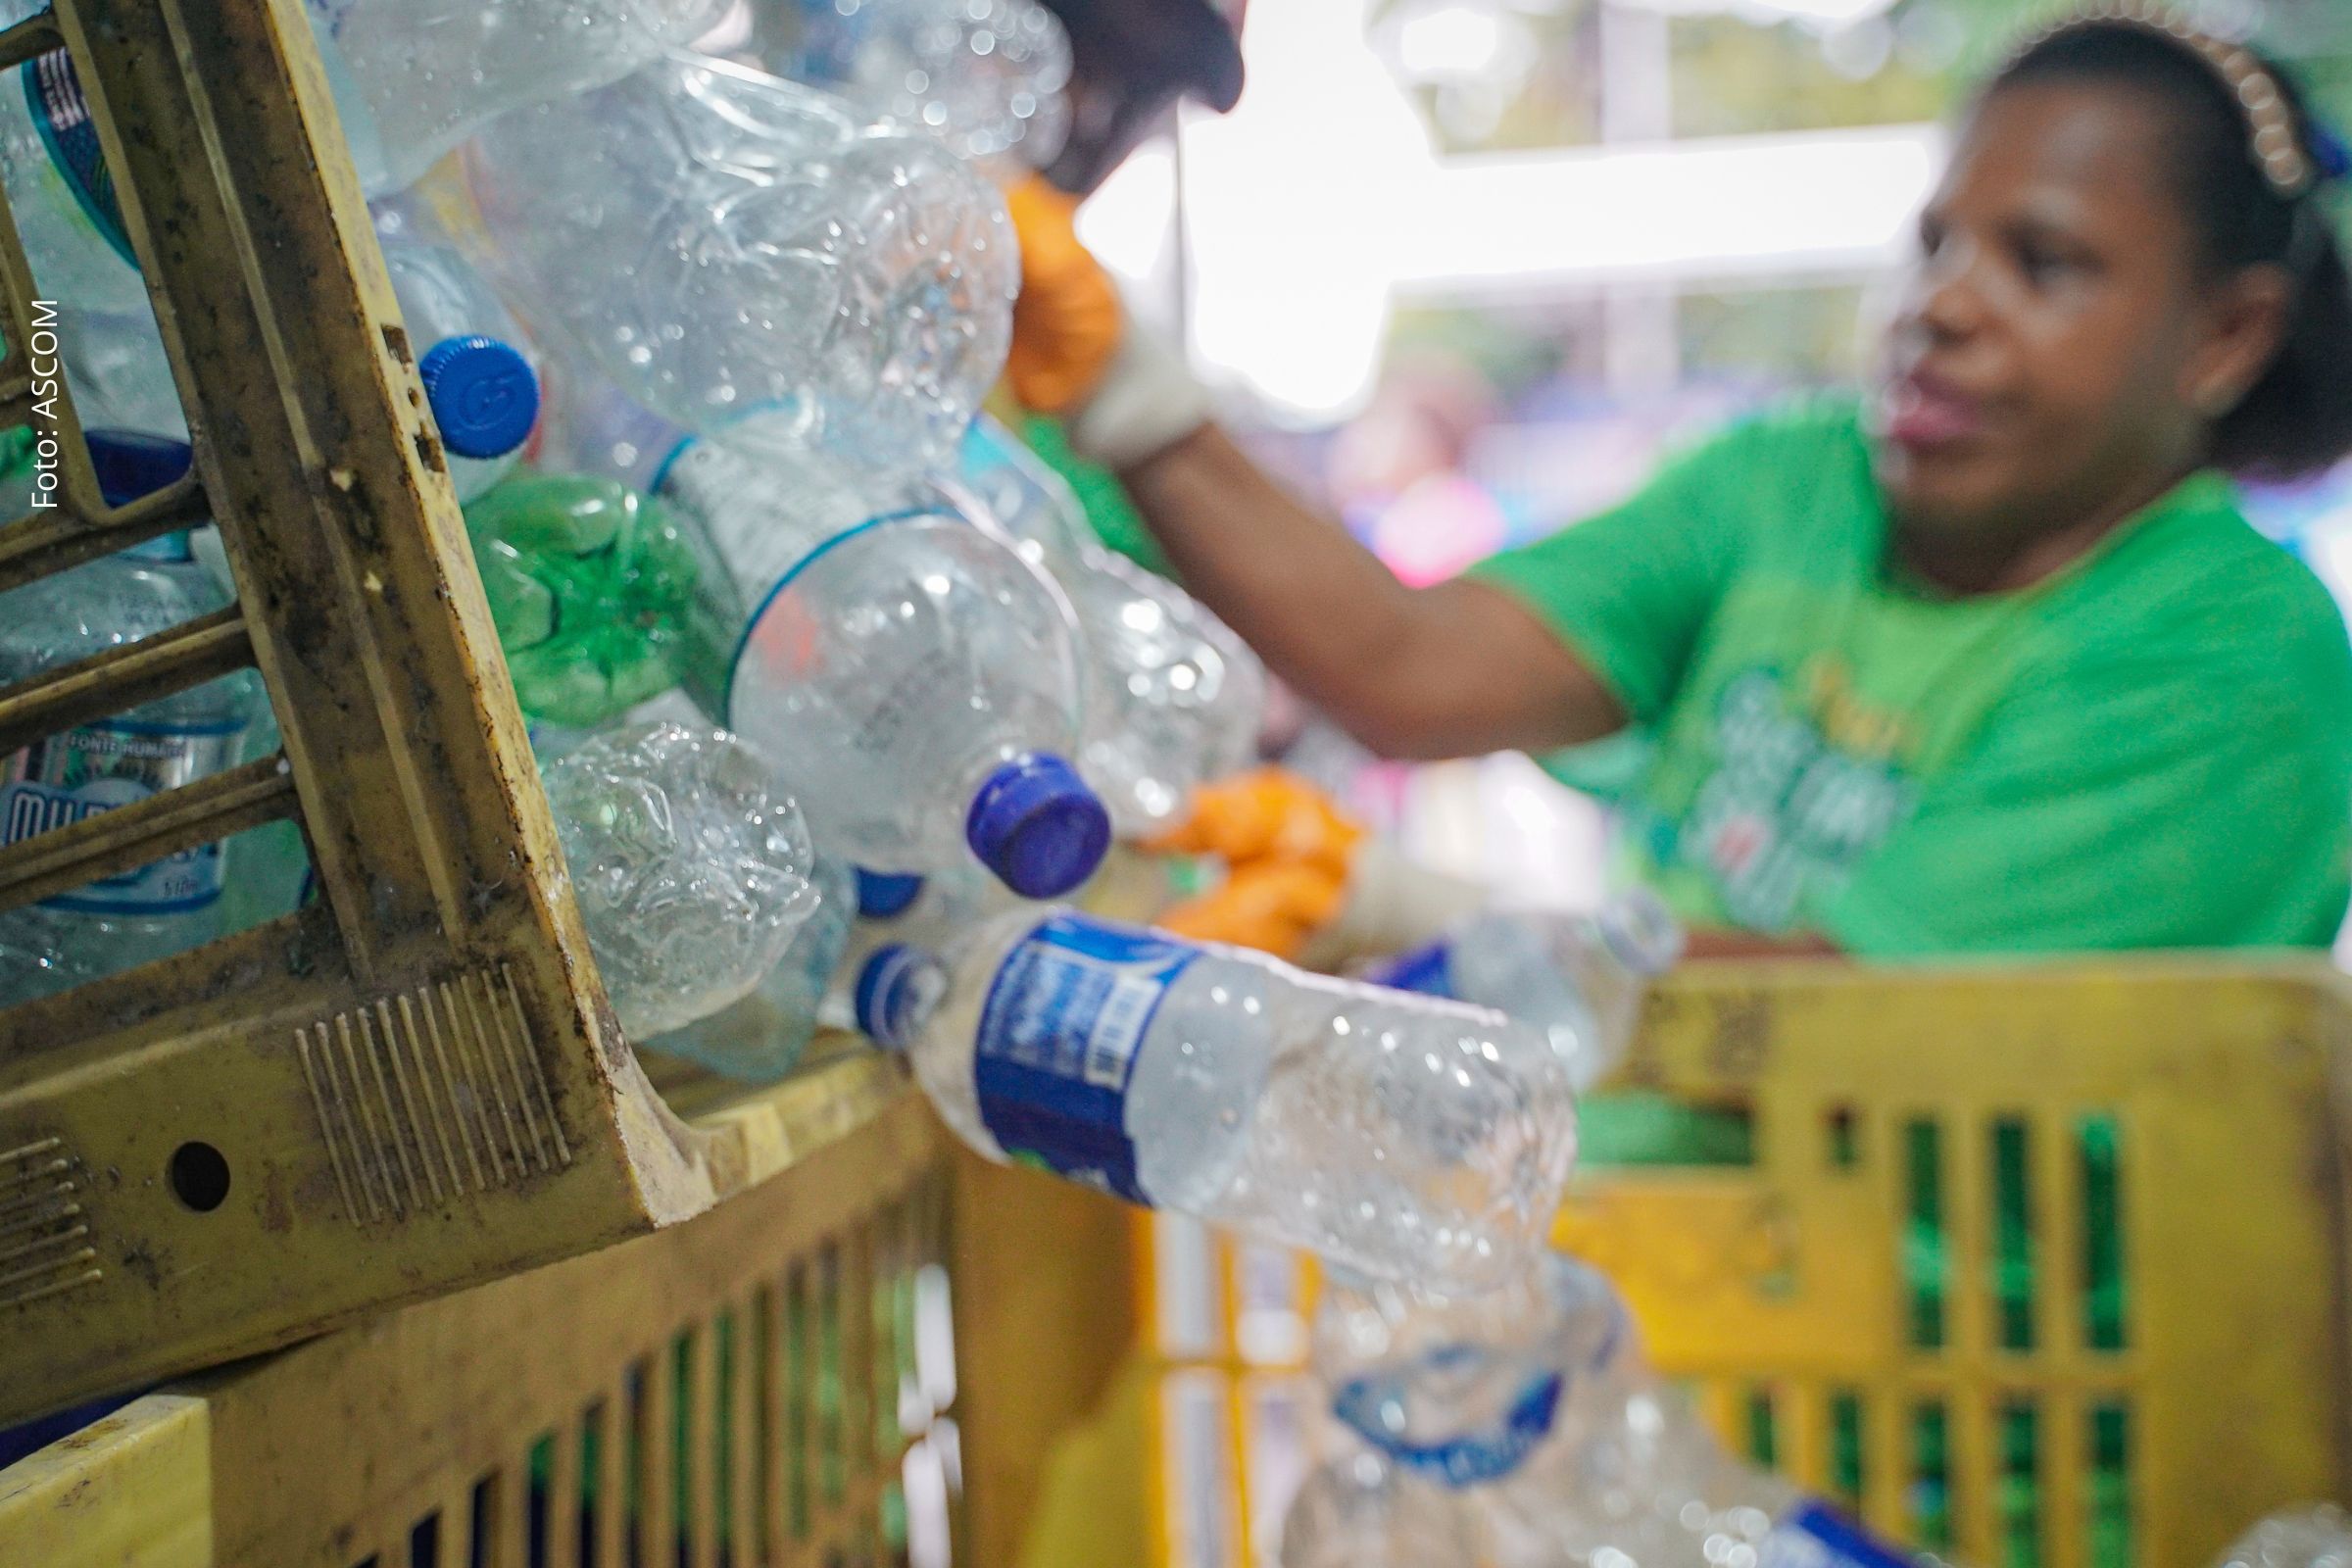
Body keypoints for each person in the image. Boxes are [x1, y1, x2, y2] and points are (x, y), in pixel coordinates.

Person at [1014, 7, 2352, 957]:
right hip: (1654, 1294)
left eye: (2042, 263)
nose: (1942, 305)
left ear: (2226, 335)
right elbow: (1409, 664)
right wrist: (1124, 386)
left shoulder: (2234, 649)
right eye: (1937, 244)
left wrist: (1431, 919)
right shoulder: (1800, 487)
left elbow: (1875, 1027)